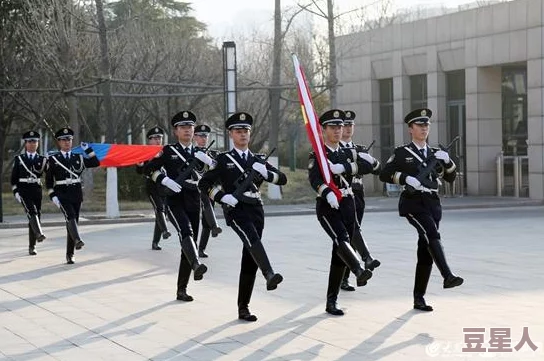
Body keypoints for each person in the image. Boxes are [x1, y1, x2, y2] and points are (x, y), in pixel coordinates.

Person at [199, 112, 286, 322]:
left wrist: (266, 173)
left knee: (250, 256)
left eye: (246, 130)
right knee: (251, 239)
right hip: (235, 209)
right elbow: (204, 184)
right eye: (238, 131)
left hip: (256, 208)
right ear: (231, 134)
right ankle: (269, 273)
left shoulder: (258, 159)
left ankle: (243, 307)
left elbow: (282, 179)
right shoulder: (223, 160)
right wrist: (222, 197)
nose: (243, 134)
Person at [379, 108, 464, 312]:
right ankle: (447, 275)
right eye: (419, 125)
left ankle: (419, 298)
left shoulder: (435, 153)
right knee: (431, 234)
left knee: (426, 250)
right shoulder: (402, 153)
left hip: (433, 204)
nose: (424, 128)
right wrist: (405, 178)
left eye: (426, 125)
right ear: (410, 129)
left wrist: (448, 161)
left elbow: (451, 177)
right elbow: (385, 174)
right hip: (412, 203)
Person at [308, 109, 379, 316]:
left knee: (338, 254)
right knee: (341, 239)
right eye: (333, 127)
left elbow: (371, 166)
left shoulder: (348, 152)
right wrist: (327, 191)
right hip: (328, 206)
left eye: (340, 127)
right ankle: (358, 268)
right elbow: (315, 179)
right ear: (324, 130)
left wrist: (345, 168)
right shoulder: (319, 154)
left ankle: (332, 301)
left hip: (348, 203)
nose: (338, 131)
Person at [145, 111, 210, 302]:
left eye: (190, 127)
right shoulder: (168, 151)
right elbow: (150, 169)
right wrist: (165, 180)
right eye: (183, 127)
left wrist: (211, 164)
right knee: (186, 232)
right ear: (176, 131)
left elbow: (213, 175)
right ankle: (197, 263)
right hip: (174, 199)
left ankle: (182, 289)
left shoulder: (200, 152)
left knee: (189, 245)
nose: (188, 130)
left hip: (194, 199)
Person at [339, 110, 382, 291]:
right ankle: (365, 260)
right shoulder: (335, 150)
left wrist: (370, 160)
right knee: (349, 233)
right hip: (341, 195)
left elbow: (379, 170)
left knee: (355, 233)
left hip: (358, 193)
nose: (348, 129)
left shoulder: (360, 149)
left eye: (351, 125)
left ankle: (350, 275)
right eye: (345, 125)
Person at [45, 127, 100, 264]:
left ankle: (70, 254)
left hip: (76, 193)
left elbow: (95, 162)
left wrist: (88, 150)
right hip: (61, 193)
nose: (67, 142)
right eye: (64, 140)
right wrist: (53, 196)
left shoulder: (78, 157)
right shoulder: (53, 160)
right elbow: (48, 181)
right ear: (59, 142)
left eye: (69, 139)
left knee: (73, 222)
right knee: (70, 217)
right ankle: (77, 240)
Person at [11, 131, 47, 256]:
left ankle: (33, 245)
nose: (32, 144)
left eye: (35, 142)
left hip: (36, 189)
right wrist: (16, 191)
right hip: (24, 190)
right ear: (25, 144)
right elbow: (13, 178)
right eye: (30, 142)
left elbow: (49, 174)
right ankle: (38, 235)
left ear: (38, 143)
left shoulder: (42, 159)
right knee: (32, 212)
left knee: (36, 216)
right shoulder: (19, 159)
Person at [136, 126, 171, 250]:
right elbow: (140, 171)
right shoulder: (145, 153)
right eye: (155, 138)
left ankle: (155, 242)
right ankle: (165, 231)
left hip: (164, 186)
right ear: (149, 140)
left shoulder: (165, 151)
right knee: (159, 208)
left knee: (162, 213)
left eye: (160, 138)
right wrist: (140, 163)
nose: (158, 140)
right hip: (152, 186)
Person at [193, 124, 222, 258]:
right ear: (194, 137)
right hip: (192, 189)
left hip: (208, 189)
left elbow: (219, 169)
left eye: (205, 136)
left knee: (205, 221)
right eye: (200, 136)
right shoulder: (190, 152)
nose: (204, 139)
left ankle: (201, 248)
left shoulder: (213, 154)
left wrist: (210, 161)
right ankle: (192, 247)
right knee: (193, 220)